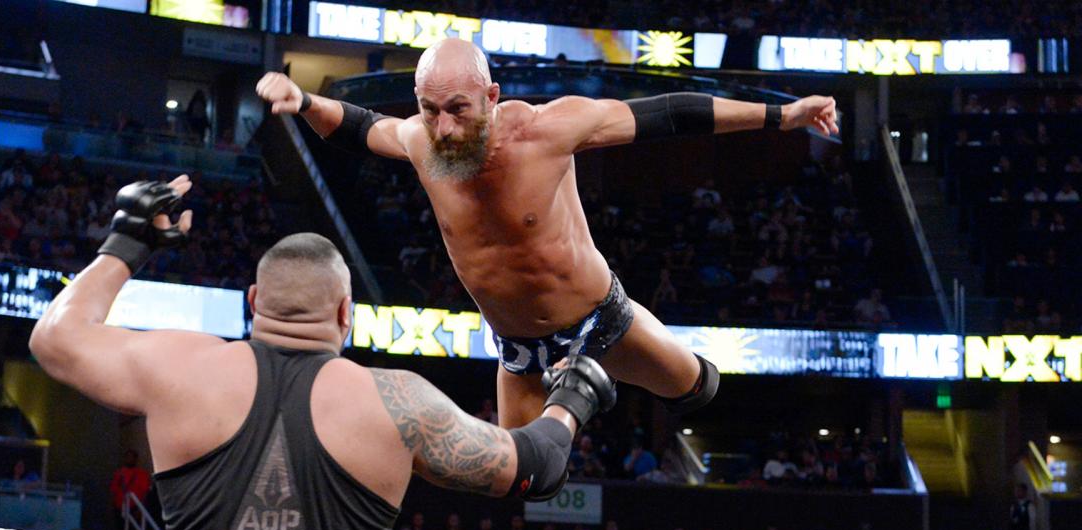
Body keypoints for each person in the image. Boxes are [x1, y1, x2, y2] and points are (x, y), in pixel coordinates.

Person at [29, 178, 616, 530]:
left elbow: (55, 339)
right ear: (345, 313)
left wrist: (128, 241)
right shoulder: (396, 403)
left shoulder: (181, 368)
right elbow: (536, 467)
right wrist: (573, 396)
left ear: (253, 301)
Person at [258, 39, 837, 427]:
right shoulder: (421, 141)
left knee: (698, 389)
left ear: (491, 98)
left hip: (598, 319)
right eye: (429, 110)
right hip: (518, 349)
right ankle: (576, 397)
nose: (444, 127)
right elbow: (359, 127)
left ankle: (594, 378)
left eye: (457, 109)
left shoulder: (548, 131)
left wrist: (781, 116)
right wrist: (303, 99)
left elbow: (669, 114)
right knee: (529, 482)